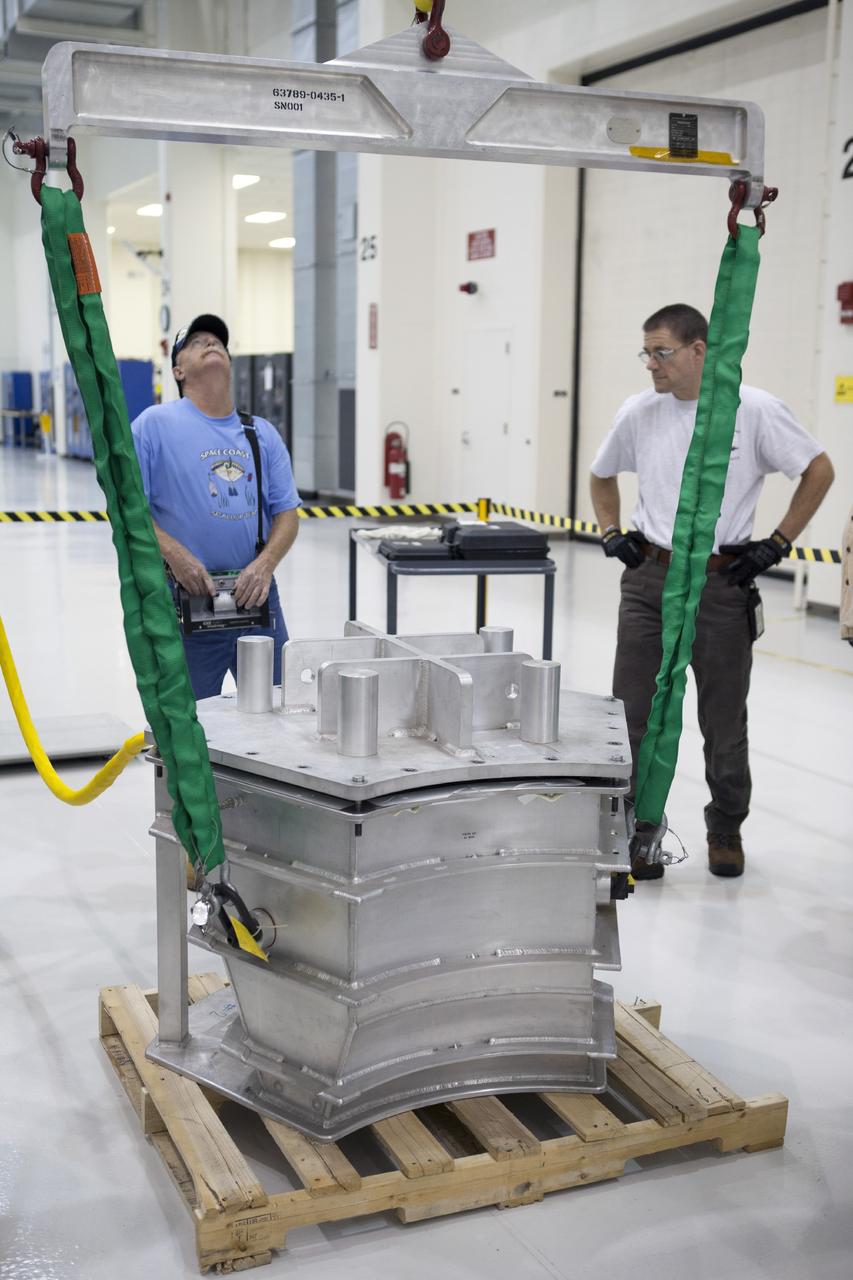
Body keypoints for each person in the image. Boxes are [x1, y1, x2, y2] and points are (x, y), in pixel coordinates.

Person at [590, 303, 834, 881]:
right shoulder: (639, 412)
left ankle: (726, 826)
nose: (651, 364)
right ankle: (639, 834)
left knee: (723, 719)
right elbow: (602, 474)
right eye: (646, 353)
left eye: (662, 352)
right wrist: (609, 531)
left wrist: (777, 543)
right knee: (634, 716)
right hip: (650, 580)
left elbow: (818, 468)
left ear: (699, 351)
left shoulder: (752, 410)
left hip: (722, 585)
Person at [131, 314, 300, 699]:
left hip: (256, 598)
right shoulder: (153, 426)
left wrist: (265, 564)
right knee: (186, 722)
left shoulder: (260, 433)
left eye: (217, 341)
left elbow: (287, 514)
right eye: (196, 342)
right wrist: (175, 556)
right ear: (178, 370)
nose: (210, 344)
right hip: (184, 599)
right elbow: (128, 510)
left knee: (277, 711)